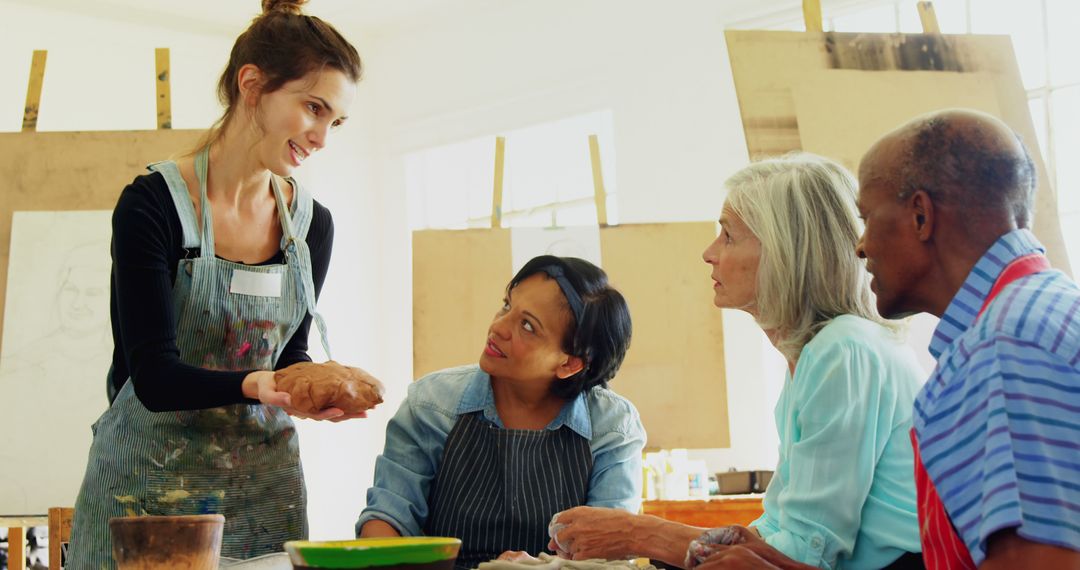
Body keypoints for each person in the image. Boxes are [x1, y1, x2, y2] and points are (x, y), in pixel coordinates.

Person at [67, 1, 382, 566]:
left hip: (264, 496)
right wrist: (263, 385)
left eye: (335, 121)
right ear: (253, 86)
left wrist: (306, 387)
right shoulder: (155, 206)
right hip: (146, 493)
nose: (321, 138)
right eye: (314, 108)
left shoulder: (312, 226)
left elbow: (288, 353)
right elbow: (154, 377)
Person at [550, 154, 925, 569]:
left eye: (728, 235)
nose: (709, 254)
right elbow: (776, 535)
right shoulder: (820, 354)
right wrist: (637, 535)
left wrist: (638, 534)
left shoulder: (843, 348)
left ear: (786, 250)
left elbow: (806, 551)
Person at [855, 108, 1080, 569]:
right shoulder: (1046, 309)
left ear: (921, 215)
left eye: (867, 217)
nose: (861, 245)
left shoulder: (1003, 350)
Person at [357, 255, 645, 570]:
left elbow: (608, 556)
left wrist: (541, 567)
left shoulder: (612, 427)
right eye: (507, 306)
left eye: (527, 326)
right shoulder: (432, 403)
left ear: (569, 363)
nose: (498, 327)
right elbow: (389, 516)